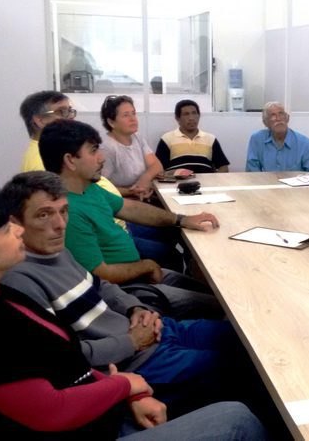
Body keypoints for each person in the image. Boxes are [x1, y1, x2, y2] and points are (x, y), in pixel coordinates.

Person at [0, 185, 265, 440]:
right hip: (77, 429)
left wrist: (123, 392)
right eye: (5, 228)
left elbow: (63, 363)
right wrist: (124, 386)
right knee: (236, 419)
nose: (19, 230)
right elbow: (52, 411)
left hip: (99, 412)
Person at [0, 171, 260, 418]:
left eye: (64, 211)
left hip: (154, 331)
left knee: (246, 340)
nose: (59, 224)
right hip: (138, 360)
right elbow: (67, 358)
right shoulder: (20, 282)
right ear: (15, 222)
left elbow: (101, 286)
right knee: (242, 366)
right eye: (44, 215)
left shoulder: (58, 252)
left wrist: (135, 308)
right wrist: (132, 342)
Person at [39, 119, 223, 319]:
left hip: (139, 274)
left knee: (216, 292)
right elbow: (100, 273)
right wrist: (146, 265)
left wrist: (182, 219)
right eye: (93, 151)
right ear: (70, 161)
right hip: (129, 289)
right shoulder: (68, 212)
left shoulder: (88, 188)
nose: (102, 158)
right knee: (222, 307)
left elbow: (130, 208)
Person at [19, 90, 128, 231]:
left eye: (70, 111)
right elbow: (73, 214)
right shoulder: (41, 162)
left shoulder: (56, 148)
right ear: (40, 121)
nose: (71, 118)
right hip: (107, 230)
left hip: (117, 217)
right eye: (61, 112)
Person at [99, 95, 164, 200]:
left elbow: (156, 165)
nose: (133, 119)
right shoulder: (106, 148)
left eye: (133, 113)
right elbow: (100, 187)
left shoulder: (137, 137)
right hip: (120, 200)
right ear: (111, 122)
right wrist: (133, 191)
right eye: (126, 115)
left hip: (143, 194)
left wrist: (144, 181)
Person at [155, 100, 230, 176]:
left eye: (194, 113)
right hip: (177, 182)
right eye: (186, 114)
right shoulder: (167, 139)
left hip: (205, 181)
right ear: (177, 118)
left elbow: (223, 167)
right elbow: (158, 170)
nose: (191, 118)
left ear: (199, 116)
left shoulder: (210, 139)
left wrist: (213, 180)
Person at [245, 102, 309, 172]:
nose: (278, 119)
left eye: (281, 114)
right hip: (267, 181)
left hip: (295, 182)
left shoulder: (306, 144)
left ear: (287, 118)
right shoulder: (257, 139)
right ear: (265, 122)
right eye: (273, 115)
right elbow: (252, 172)